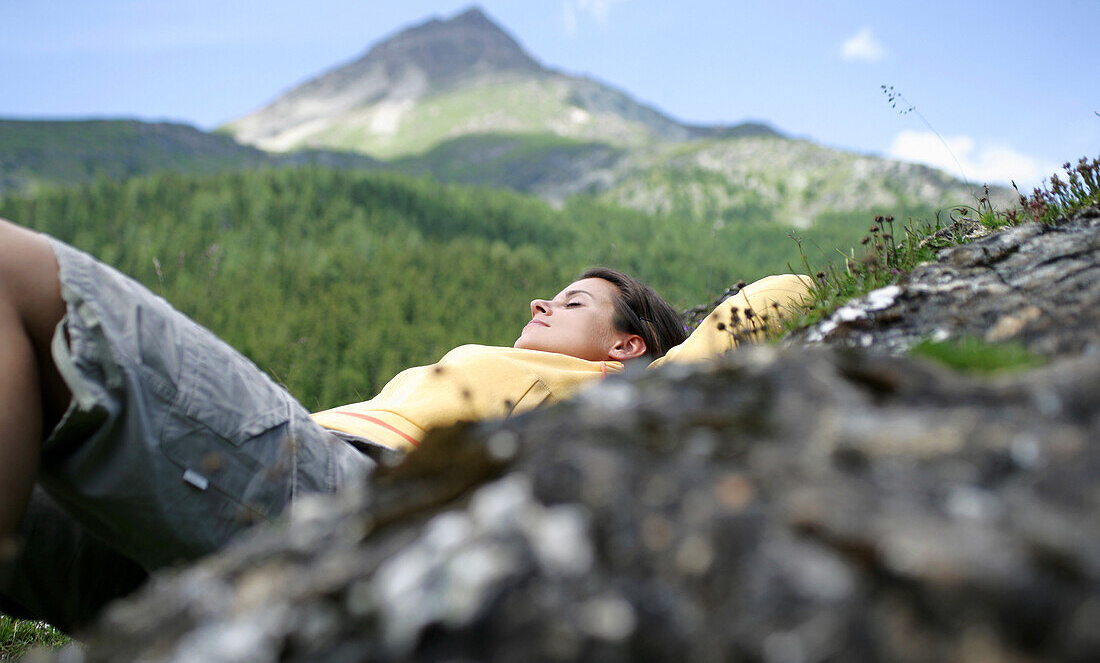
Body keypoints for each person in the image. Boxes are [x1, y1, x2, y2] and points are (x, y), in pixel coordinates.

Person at [0, 219, 810, 632]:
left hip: (348, 499)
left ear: (626, 345)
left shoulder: (625, 391)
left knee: (18, 271)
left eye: (571, 304)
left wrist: (668, 359)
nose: (539, 304)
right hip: (247, 490)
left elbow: (788, 293)